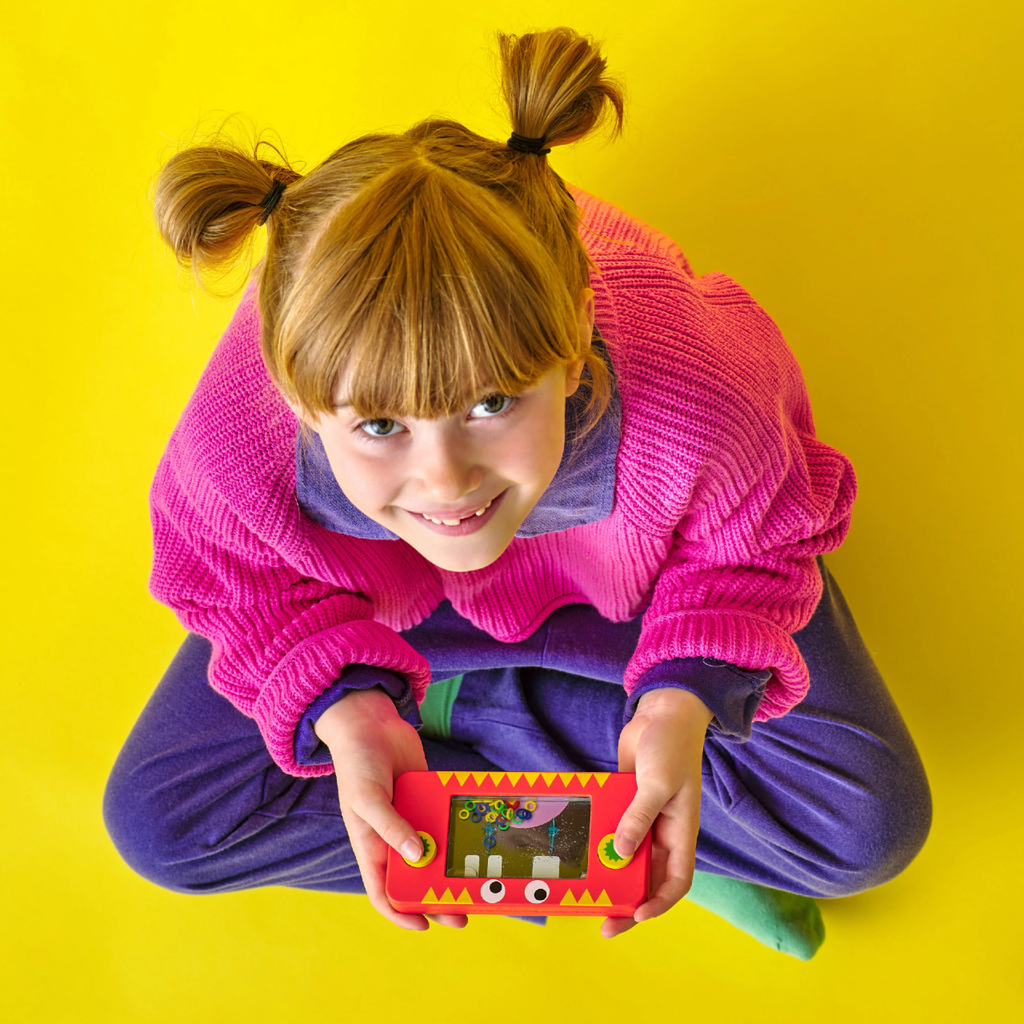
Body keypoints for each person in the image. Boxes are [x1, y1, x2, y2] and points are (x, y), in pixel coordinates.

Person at [103, 26, 931, 957]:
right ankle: (637, 829)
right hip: (374, 627)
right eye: (379, 428)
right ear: (295, 397)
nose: (444, 482)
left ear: (575, 340)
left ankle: (566, 770)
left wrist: (682, 704)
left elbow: (758, 544)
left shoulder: (702, 389)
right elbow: (237, 586)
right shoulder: (237, 444)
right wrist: (348, 711)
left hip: (649, 601)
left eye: (492, 404)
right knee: (161, 822)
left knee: (869, 827)